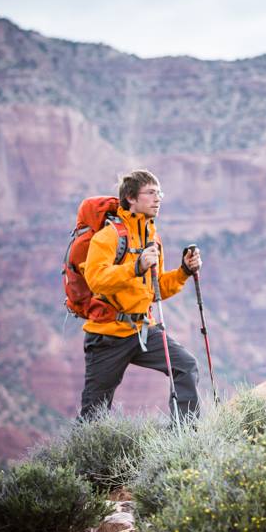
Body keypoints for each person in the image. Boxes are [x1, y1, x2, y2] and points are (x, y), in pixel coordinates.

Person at [79, 169, 202, 419]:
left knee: (185, 365)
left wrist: (184, 271)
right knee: (94, 412)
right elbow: (96, 280)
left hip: (143, 329)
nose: (158, 199)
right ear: (131, 198)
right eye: (151, 193)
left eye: (160, 193)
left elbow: (157, 289)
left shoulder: (153, 239)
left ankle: (184, 437)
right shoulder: (108, 237)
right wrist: (135, 267)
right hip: (107, 336)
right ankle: (83, 454)